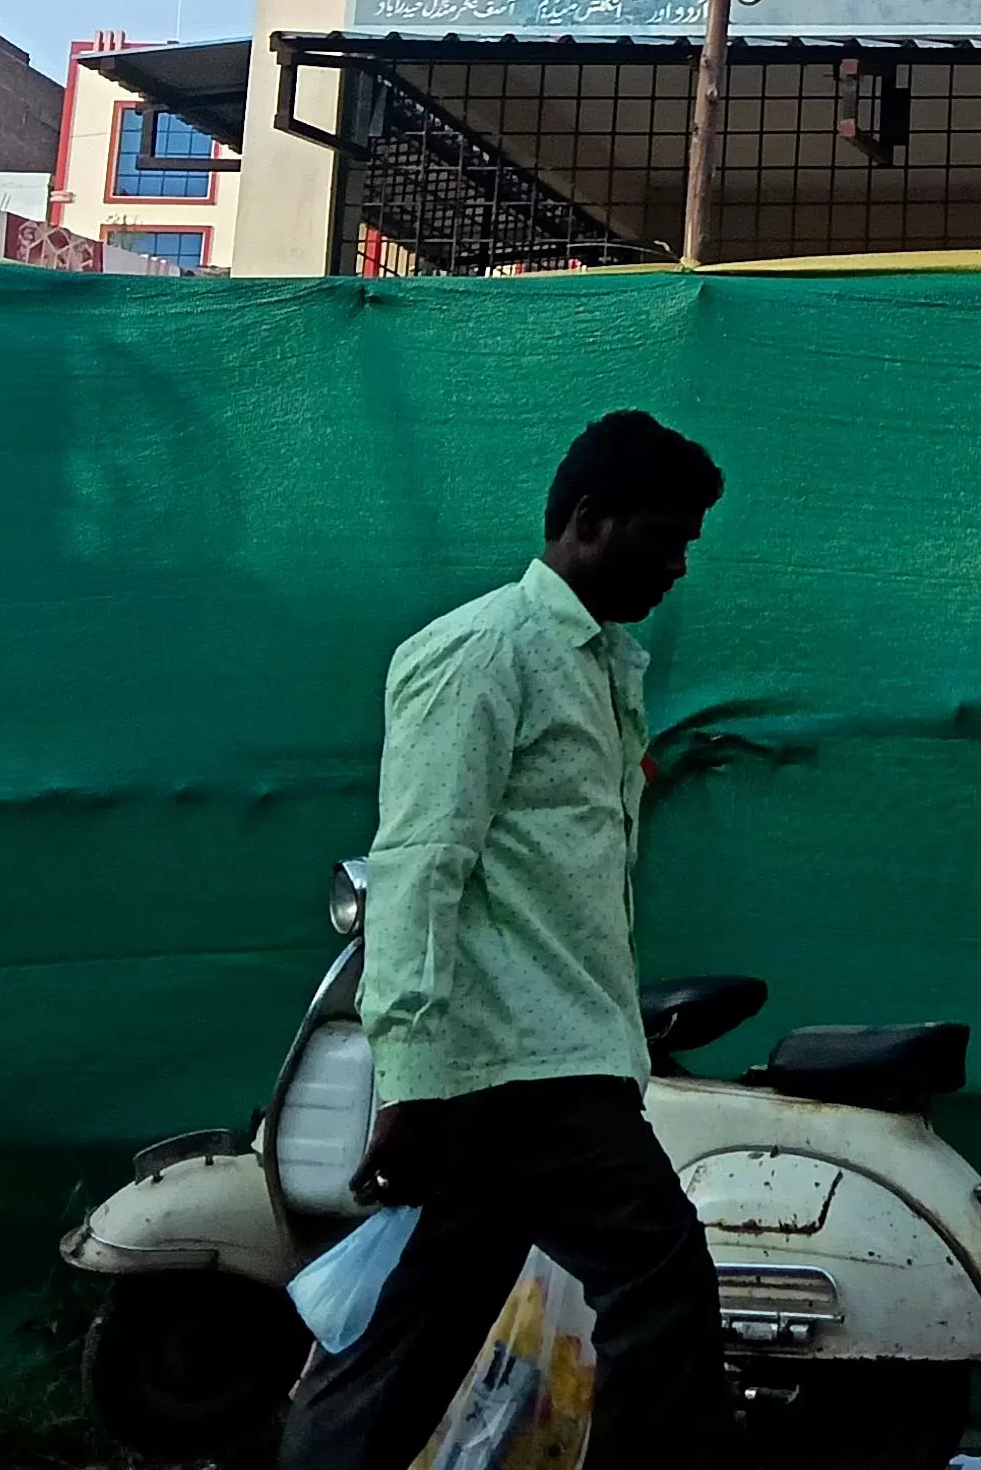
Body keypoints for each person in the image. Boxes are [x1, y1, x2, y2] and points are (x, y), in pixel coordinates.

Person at [284, 411, 735, 1470]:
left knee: (427, 1312)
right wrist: (408, 1082)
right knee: (661, 1278)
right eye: (662, 538)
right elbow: (419, 868)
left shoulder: (598, 662)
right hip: (518, 1068)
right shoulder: (488, 652)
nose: (676, 566)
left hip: (543, 1057)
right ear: (588, 519)